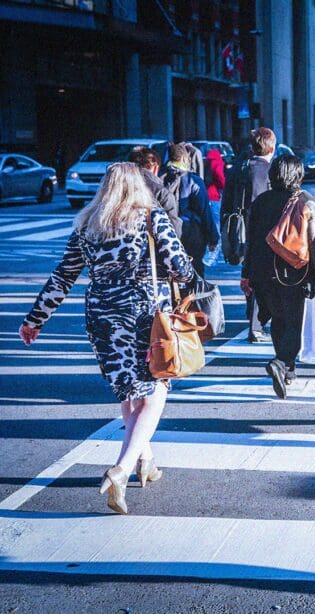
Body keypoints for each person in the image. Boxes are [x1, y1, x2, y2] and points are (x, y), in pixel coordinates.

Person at [20, 163, 195, 514]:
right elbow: (181, 268)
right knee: (154, 392)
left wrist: (35, 319)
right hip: (145, 317)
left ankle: (146, 460)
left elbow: (63, 277)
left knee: (130, 392)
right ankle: (122, 468)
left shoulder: (87, 225)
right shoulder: (151, 218)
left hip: (102, 319)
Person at [241, 155, 315, 398]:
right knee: (294, 322)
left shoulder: (260, 202)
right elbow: (314, 241)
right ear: (298, 175)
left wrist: (246, 274)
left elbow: (252, 241)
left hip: (263, 272)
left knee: (278, 320)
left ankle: (288, 368)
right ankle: (281, 363)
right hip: (295, 272)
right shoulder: (306, 201)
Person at [222, 127, 276, 343]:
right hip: (262, 228)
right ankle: (256, 325)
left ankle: (253, 320)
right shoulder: (270, 169)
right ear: (271, 146)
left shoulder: (238, 168)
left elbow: (226, 201)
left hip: (239, 226)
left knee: (250, 273)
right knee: (260, 276)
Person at [161, 143, 219, 277]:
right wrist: (213, 238)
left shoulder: (158, 179)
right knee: (195, 273)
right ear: (183, 160)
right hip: (191, 235)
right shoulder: (193, 180)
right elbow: (205, 211)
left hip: (164, 235)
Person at [129, 146, 181, 236]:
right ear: (155, 167)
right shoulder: (162, 193)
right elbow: (174, 231)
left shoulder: (116, 187)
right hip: (149, 247)